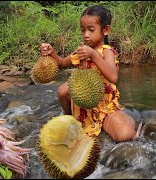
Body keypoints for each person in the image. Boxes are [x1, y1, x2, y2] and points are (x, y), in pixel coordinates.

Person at [39, 5, 141, 143]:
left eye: (91, 30)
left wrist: (93, 55)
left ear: (106, 30)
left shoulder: (107, 51)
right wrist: (51, 52)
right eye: (83, 30)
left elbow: (113, 77)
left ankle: (131, 121)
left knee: (123, 136)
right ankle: (69, 119)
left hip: (103, 106)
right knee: (63, 91)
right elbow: (62, 63)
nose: (86, 34)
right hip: (83, 104)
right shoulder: (82, 51)